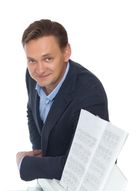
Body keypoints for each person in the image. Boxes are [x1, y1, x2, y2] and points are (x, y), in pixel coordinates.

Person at [16, 19, 109, 181]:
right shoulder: (32, 76)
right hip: (52, 185)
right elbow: (32, 109)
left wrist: (26, 164)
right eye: (32, 60)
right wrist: (39, 150)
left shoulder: (90, 93)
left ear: (66, 52)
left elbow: (85, 167)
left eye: (48, 59)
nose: (39, 70)